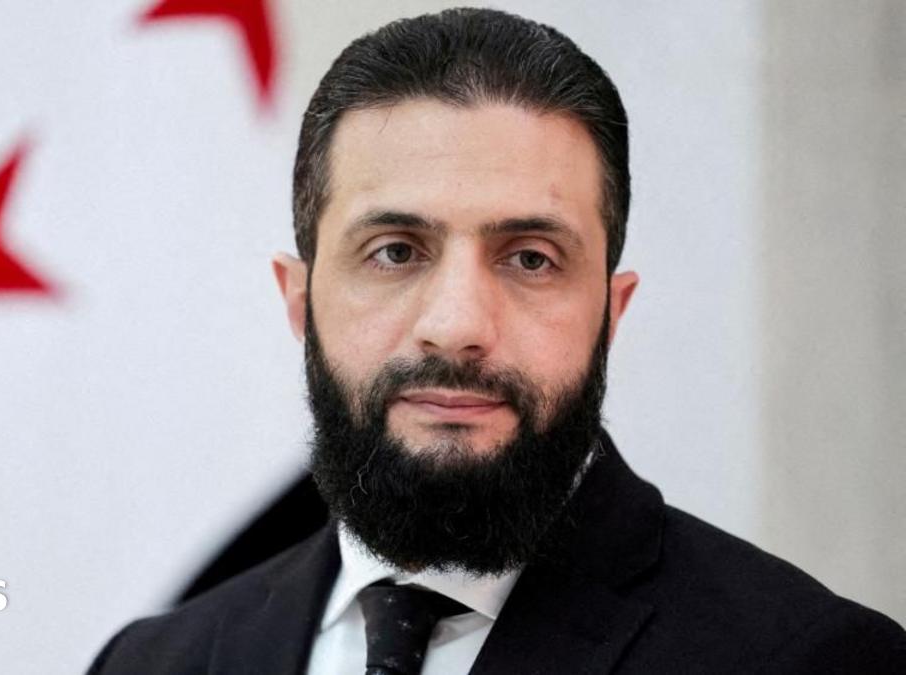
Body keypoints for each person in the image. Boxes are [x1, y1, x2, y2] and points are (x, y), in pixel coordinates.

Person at [88, 8, 906, 674]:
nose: (459, 324)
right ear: (299, 299)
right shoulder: (155, 662)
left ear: (611, 311)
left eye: (530, 258)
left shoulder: (810, 660)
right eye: (396, 252)